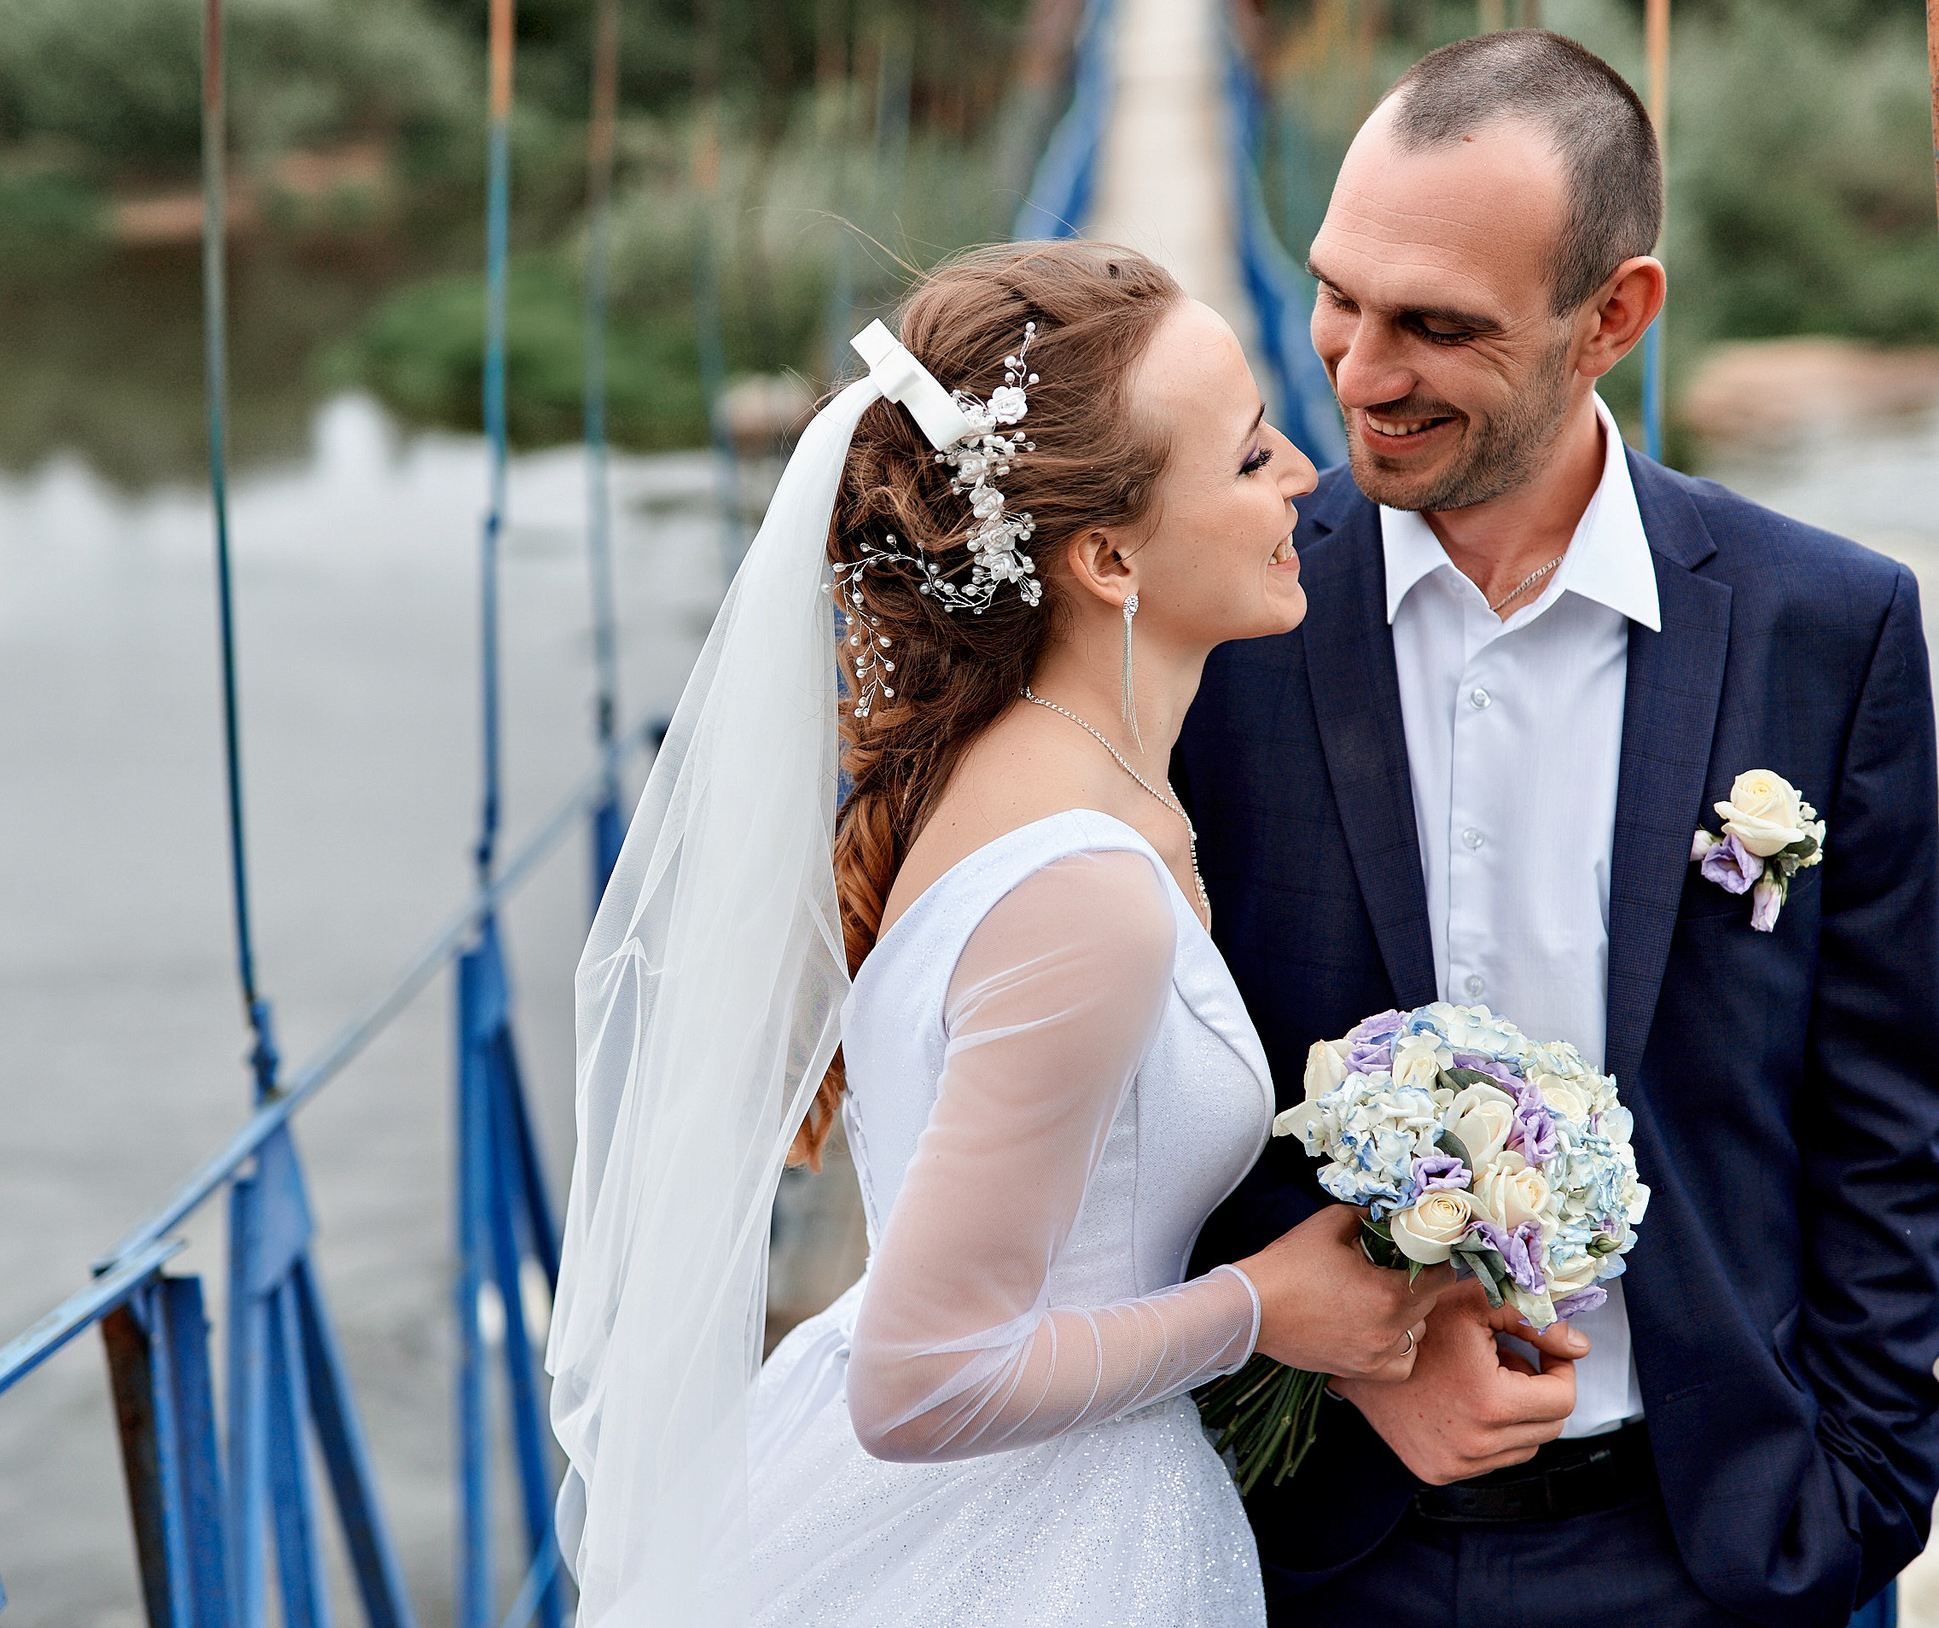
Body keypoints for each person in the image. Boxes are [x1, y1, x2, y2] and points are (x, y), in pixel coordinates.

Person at [1178, 31, 1939, 1628]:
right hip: (1307, 1540)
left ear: (1613, 315)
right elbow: (1133, 1100)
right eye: (1340, 295)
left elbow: (1887, 1110)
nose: (1356, 370)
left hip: (1713, 1549)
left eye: (1438, 326)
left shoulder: (1834, 625)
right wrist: (1340, 1366)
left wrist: (1862, 1495)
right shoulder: (1213, 617)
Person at [548, 241, 1453, 1626]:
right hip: (1031, 1551)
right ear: (1103, 556)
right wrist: (1264, 1311)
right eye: (1251, 455)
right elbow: (917, 1381)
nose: (1305, 483)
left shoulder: (1020, 764)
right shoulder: (1078, 892)